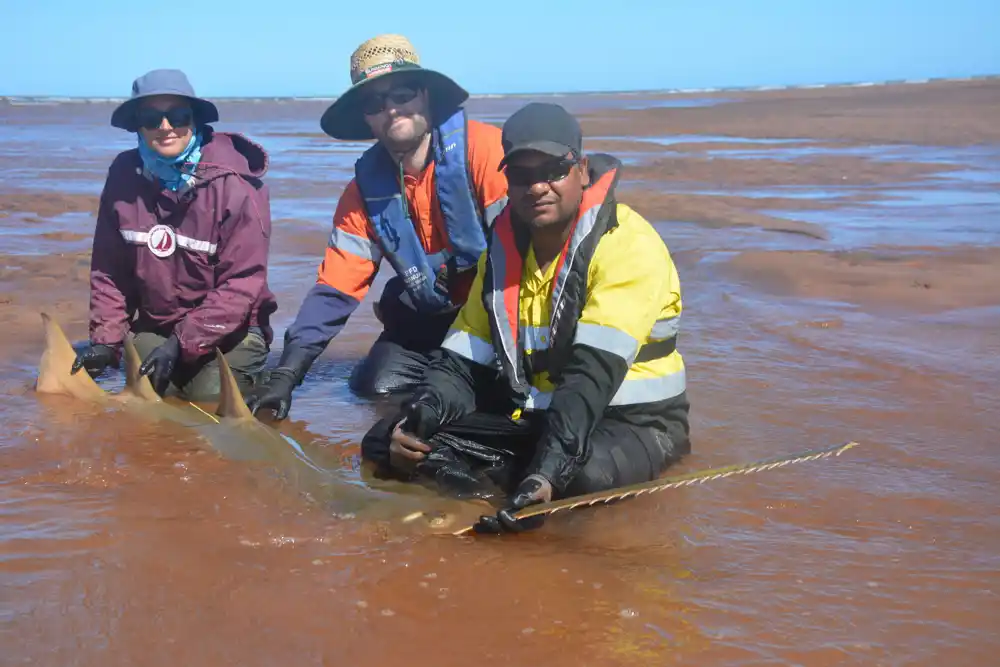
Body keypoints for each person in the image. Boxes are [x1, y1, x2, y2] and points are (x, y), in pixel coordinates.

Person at [361, 102, 692, 534]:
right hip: (539, 414)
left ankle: (520, 486)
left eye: (553, 169)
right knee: (385, 440)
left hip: (634, 422)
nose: (538, 186)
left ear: (583, 170)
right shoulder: (500, 253)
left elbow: (590, 379)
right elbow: (461, 362)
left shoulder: (629, 246)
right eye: (521, 175)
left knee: (578, 478)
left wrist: (548, 473)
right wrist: (420, 418)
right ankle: (477, 506)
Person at [245, 34, 508, 419]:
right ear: (365, 118)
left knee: (486, 401)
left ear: (426, 96)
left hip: (500, 316)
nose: (392, 110)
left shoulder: (488, 152)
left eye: (402, 94)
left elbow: (537, 258)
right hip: (430, 321)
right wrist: (287, 374)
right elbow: (335, 288)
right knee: (373, 390)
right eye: (374, 103)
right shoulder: (362, 192)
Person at [70, 68, 277, 401]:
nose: (165, 127)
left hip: (232, 332)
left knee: (211, 404)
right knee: (148, 397)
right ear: (137, 126)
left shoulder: (234, 183)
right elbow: (109, 271)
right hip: (158, 327)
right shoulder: (123, 174)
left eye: (177, 116)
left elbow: (242, 284)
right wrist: (105, 344)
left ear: (193, 119)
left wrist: (181, 345)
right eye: (152, 119)